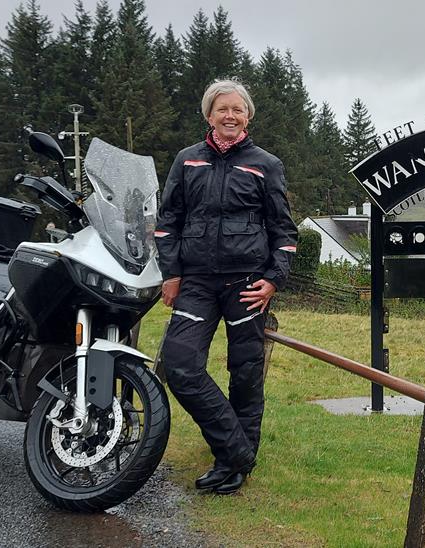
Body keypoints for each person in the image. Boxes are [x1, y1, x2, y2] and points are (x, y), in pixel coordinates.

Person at [155, 79, 298, 495]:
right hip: (196, 283)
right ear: (209, 114)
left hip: (247, 284)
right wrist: (171, 274)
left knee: (246, 374)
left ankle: (231, 466)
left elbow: (284, 231)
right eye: (222, 109)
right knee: (180, 366)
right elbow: (168, 224)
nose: (230, 116)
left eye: (238, 109)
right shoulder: (187, 161)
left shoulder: (266, 164)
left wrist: (273, 280)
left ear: (248, 116)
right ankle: (238, 452)